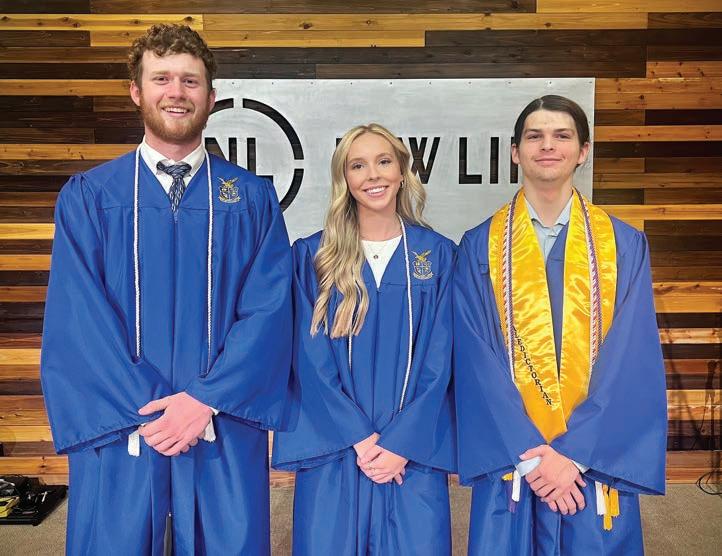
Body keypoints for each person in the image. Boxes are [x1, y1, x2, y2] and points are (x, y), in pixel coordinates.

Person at [40, 24, 293, 555]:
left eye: (190, 81)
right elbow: (79, 317)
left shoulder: (251, 200)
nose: (176, 92)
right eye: (161, 79)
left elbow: (269, 310)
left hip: (220, 420)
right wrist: (153, 409)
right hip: (125, 421)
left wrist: (204, 400)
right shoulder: (90, 197)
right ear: (136, 91)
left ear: (211, 97)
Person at [454, 95, 667, 555]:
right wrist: (533, 459)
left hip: (591, 462)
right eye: (535, 136)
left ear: (583, 150)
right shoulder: (479, 246)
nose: (547, 145)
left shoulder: (623, 245)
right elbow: (475, 360)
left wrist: (575, 454)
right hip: (515, 464)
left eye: (561, 135)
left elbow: (630, 359)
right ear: (515, 152)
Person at [272, 123, 456, 555]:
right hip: (337, 449)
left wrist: (400, 443)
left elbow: (442, 356)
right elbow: (308, 357)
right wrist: (359, 437)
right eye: (358, 165)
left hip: (411, 455)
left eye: (383, 161)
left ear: (402, 171)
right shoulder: (314, 257)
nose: (373, 175)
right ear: (344, 178)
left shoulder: (438, 255)